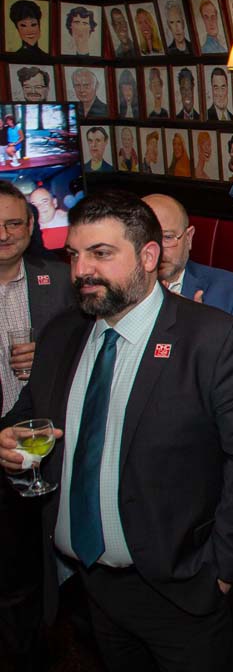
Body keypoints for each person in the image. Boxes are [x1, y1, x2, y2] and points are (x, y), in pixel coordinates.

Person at [0, 190, 233, 670]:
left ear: (149, 257)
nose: (82, 270)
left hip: (182, 587)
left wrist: (224, 571)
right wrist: (9, 440)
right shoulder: (63, 333)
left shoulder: (212, 338)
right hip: (89, 585)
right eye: (74, 255)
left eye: (101, 254)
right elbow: (29, 416)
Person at [0, 180, 73, 669]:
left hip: (39, 444)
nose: (4, 234)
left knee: (33, 569)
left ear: (31, 226)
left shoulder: (61, 279)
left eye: (13, 223)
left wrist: (46, 356)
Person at [141, 193, 233, 361]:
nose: (158, 250)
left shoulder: (229, 289)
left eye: (168, 237)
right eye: (147, 239)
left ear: (188, 238)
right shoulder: (120, 288)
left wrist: (201, 328)